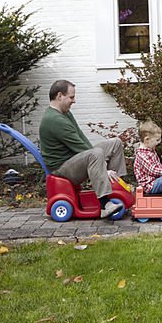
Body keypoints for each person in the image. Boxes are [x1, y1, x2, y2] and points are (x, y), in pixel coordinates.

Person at [38, 80, 127, 219]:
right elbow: (79, 147)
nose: (74, 101)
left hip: (73, 159)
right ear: (60, 96)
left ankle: (118, 187)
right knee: (95, 153)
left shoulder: (64, 113)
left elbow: (81, 138)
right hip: (62, 169)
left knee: (114, 143)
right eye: (71, 97)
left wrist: (99, 162)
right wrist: (103, 167)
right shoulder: (54, 120)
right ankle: (105, 204)